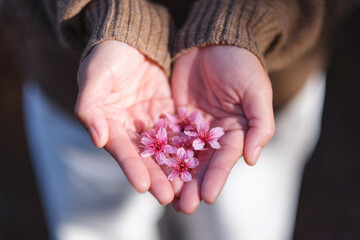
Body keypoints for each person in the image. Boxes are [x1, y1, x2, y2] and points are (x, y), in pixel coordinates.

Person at [1, 0, 359, 239]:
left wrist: (245, 18)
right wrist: (101, 12)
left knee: (242, 227)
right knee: (92, 228)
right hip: (82, 89)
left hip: (256, 94)